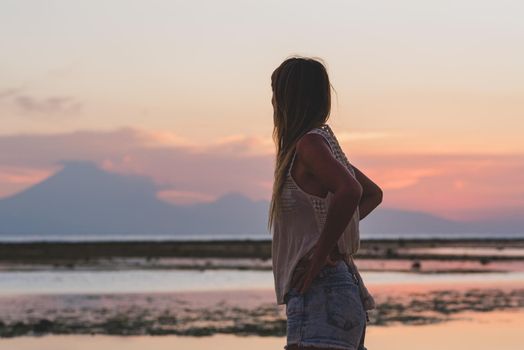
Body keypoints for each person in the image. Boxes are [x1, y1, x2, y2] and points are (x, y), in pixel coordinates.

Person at [268, 56, 383, 350]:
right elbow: (371, 193)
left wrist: (320, 254)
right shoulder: (316, 146)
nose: (272, 101)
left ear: (289, 98)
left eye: (276, 93)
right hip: (334, 291)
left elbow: (351, 191)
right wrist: (330, 238)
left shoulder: (310, 144)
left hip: (323, 290)